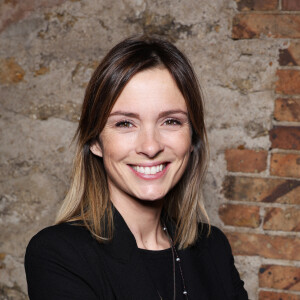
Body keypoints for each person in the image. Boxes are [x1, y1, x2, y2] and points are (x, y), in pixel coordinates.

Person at [25, 35, 249, 300]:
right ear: (95, 141)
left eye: (171, 121)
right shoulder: (59, 254)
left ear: (192, 139)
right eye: (125, 124)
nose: (150, 146)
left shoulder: (213, 248)